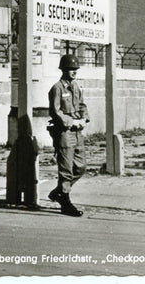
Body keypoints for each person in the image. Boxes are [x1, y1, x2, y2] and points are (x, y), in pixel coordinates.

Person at [47, 54, 90, 217]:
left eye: (75, 69)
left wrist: (84, 118)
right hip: (64, 131)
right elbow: (55, 111)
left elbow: (82, 105)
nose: (74, 72)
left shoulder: (76, 86)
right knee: (66, 169)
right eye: (70, 69)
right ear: (63, 70)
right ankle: (65, 201)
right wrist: (70, 121)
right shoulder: (57, 88)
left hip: (78, 131)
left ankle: (59, 191)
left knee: (80, 167)